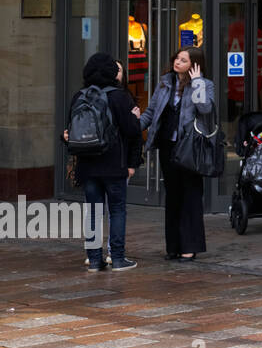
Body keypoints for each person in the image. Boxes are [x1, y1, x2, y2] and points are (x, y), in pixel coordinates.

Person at [64, 53, 142, 272]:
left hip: (87, 165)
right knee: (117, 210)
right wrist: (135, 118)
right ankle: (117, 258)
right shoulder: (119, 97)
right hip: (113, 163)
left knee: (93, 212)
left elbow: (70, 133)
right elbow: (132, 131)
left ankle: (94, 260)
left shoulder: (79, 96)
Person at [139, 47, 215, 261]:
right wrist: (134, 126)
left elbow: (205, 109)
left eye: (184, 60)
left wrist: (198, 82)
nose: (178, 62)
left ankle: (189, 246)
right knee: (172, 196)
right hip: (168, 146)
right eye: (177, 58)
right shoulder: (165, 83)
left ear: (194, 64)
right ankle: (173, 246)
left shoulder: (205, 85)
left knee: (190, 195)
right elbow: (151, 112)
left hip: (190, 147)